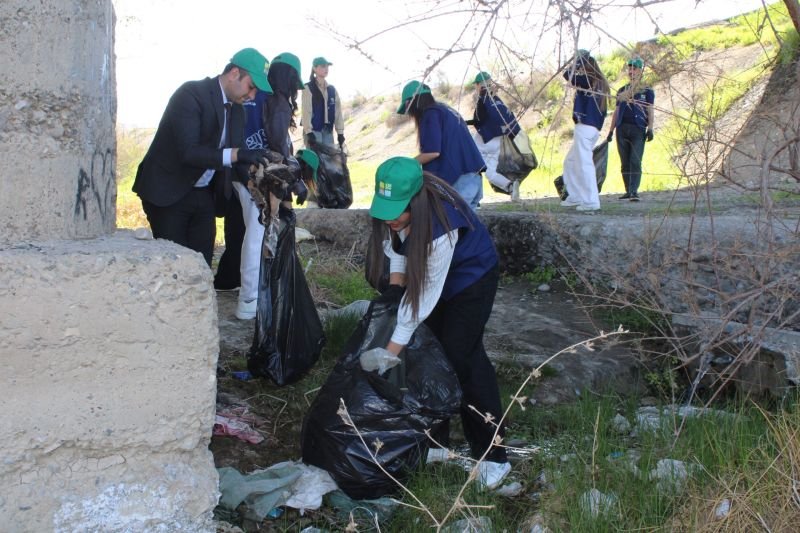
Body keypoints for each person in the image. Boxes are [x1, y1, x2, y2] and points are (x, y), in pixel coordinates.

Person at [365, 156, 511, 490]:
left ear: (415, 201)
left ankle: (493, 454)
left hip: (471, 279)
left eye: (397, 211)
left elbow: (421, 303)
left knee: (463, 358)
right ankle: (436, 442)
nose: (390, 218)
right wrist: (393, 291)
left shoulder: (440, 226)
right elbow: (399, 250)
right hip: (438, 279)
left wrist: (389, 352)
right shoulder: (399, 217)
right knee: (431, 352)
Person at [133, 48, 272, 266]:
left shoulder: (238, 110)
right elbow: (189, 152)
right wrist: (239, 154)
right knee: (175, 266)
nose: (252, 96)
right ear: (234, 73)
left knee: (201, 266)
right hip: (169, 191)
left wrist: (266, 185)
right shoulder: (191, 94)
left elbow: (237, 159)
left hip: (203, 193)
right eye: (251, 87)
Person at [232, 51, 309, 320]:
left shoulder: (253, 95)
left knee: (251, 233)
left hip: (239, 171)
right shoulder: (275, 100)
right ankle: (249, 301)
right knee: (257, 235)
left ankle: (251, 294)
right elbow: (278, 144)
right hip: (257, 176)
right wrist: (296, 180)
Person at [396, 81, 486, 210]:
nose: (410, 114)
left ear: (410, 102)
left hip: (459, 181)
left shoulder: (430, 114)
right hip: (473, 175)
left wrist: (408, 164)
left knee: (452, 226)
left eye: (408, 108)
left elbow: (432, 152)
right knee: (466, 227)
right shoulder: (445, 110)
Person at [560, 50, 610, 212]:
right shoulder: (598, 82)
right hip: (592, 128)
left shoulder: (589, 79)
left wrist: (575, 62)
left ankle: (590, 201)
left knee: (584, 164)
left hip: (585, 127)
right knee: (571, 162)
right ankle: (575, 196)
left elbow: (568, 74)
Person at [606, 57, 655, 202]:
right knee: (625, 162)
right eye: (630, 68)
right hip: (621, 129)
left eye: (634, 68)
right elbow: (616, 112)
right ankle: (628, 190)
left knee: (635, 160)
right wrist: (610, 131)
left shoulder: (647, 91)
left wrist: (650, 128)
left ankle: (634, 191)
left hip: (638, 128)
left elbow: (650, 110)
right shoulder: (622, 91)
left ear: (640, 71)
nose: (631, 71)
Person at [467, 71, 521, 197]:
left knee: (472, 159)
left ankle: (474, 195)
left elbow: (479, 120)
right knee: (490, 173)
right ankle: (511, 186)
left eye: (476, 84)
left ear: (480, 84)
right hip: (501, 140)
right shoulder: (496, 98)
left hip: (487, 138)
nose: (476, 87)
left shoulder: (483, 98)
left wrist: (464, 122)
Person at [302, 57, 345, 148]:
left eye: (327, 66)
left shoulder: (332, 90)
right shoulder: (308, 88)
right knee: (315, 160)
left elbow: (338, 113)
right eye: (323, 66)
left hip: (328, 131)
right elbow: (306, 111)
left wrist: (340, 133)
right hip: (313, 131)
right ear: (314, 69)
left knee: (330, 160)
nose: (326, 69)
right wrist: (309, 132)